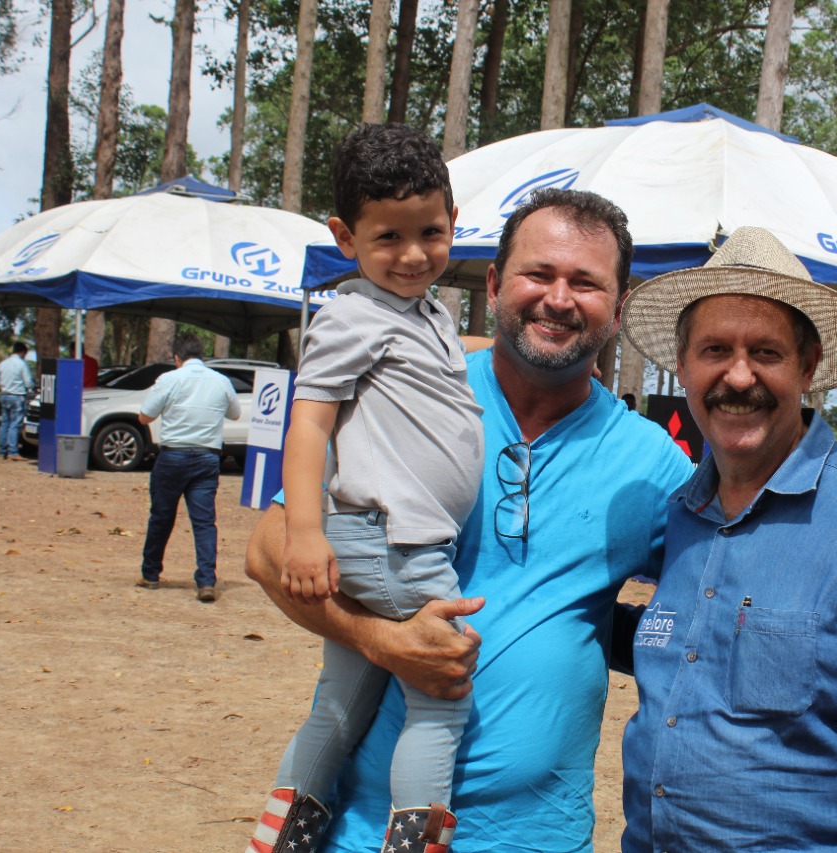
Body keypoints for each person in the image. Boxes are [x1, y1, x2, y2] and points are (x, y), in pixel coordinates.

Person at [242, 187, 695, 853]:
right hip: (362, 829)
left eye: (585, 282)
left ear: (619, 307)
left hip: (538, 836)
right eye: (538, 273)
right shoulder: (407, 392)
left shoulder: (651, 464)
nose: (559, 298)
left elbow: (721, 591)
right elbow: (267, 550)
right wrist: (378, 639)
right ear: (493, 283)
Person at [618, 226, 837, 852]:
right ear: (682, 365)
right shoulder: (680, 515)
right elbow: (690, 647)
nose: (738, 376)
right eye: (714, 350)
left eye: (766, 352)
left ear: (808, 367)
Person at [246, 123, 483, 853]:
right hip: (396, 544)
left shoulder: (426, 313)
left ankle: (286, 831)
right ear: (345, 237)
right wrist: (305, 532)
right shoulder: (351, 315)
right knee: (441, 694)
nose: (413, 255)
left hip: (386, 542)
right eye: (388, 238)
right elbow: (309, 426)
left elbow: (437, 364)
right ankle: (414, 841)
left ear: (453, 221)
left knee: (344, 699)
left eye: (431, 232)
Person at [137, 333, 240, 602]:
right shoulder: (221, 381)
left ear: (176, 358)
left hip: (173, 456)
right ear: (201, 355)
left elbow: (145, 416)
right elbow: (235, 413)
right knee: (204, 522)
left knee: (161, 516)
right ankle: (206, 581)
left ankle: (150, 574)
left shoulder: (169, 379)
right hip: (207, 457)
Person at [0, 341, 34, 461]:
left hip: (4, 395)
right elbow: (28, 382)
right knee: (15, 424)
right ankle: (13, 452)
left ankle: (2, 451)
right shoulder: (22, 364)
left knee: (4, 424)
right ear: (23, 352)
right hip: (17, 396)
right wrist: (32, 387)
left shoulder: (2, 364)